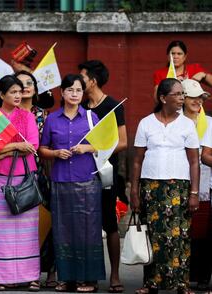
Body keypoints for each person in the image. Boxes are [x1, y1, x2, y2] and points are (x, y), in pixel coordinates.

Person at [131, 78, 200, 294]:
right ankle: (151, 283)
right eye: (178, 94)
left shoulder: (187, 125)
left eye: (182, 94)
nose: (182, 98)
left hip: (178, 187)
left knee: (178, 234)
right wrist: (134, 190)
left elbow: (193, 161)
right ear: (163, 98)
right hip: (150, 187)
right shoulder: (146, 123)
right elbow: (136, 160)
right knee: (153, 234)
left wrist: (194, 193)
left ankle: (181, 284)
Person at [38, 74, 105, 293]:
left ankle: (89, 279)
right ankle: (66, 278)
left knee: (88, 230)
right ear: (62, 93)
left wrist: (86, 148)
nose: (74, 94)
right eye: (70, 90)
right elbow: (42, 149)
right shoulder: (52, 119)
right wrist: (56, 152)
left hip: (87, 180)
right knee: (62, 230)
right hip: (60, 181)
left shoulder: (90, 117)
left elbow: (104, 144)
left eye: (78, 90)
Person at [0, 75, 40, 291]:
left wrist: (5, 149)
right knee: (2, 229)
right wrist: (16, 146)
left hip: (25, 176)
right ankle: (1, 276)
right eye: (13, 92)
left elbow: (33, 145)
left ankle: (31, 276)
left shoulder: (27, 116)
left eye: (20, 92)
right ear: (1, 95)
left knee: (28, 229)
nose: (18, 95)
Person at [79, 60, 127, 293]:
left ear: (93, 81)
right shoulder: (78, 105)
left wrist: (97, 149)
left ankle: (115, 275)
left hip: (106, 173)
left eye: (82, 77)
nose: (79, 82)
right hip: (80, 173)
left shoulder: (113, 106)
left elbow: (123, 142)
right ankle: (90, 275)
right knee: (87, 225)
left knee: (110, 223)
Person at [15, 70, 56, 288]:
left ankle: (49, 270)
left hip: (40, 174)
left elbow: (48, 145)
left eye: (29, 82)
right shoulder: (7, 114)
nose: (26, 87)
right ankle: (18, 271)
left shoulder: (44, 115)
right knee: (18, 226)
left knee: (44, 224)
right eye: (20, 84)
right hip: (13, 174)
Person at [182, 79, 212, 291]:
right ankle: (182, 274)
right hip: (179, 179)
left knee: (203, 231)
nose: (197, 101)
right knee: (183, 231)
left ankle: (202, 276)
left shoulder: (209, 122)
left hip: (205, 183)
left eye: (200, 97)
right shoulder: (174, 122)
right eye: (193, 97)